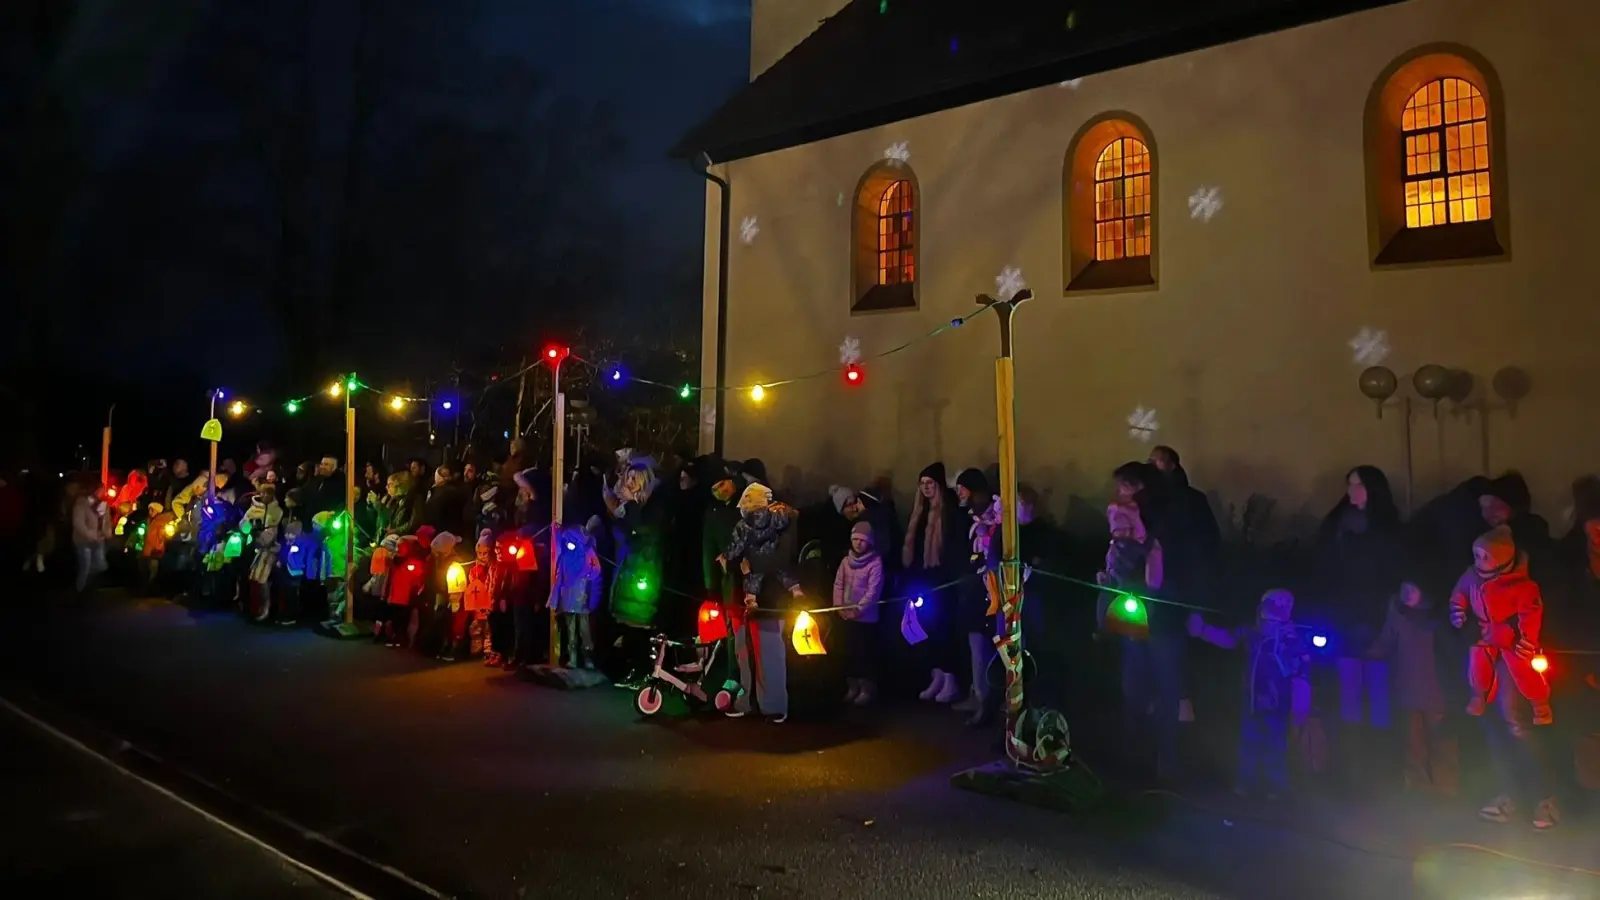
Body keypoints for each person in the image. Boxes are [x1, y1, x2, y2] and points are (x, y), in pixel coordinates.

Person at [1451, 525, 1560, 829]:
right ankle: (1510, 794)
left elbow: (1529, 617)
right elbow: (1460, 597)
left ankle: (1545, 797)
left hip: (1512, 655)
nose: (1478, 560)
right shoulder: (1471, 577)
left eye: (1484, 556)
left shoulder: (1522, 586)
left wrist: (1518, 638)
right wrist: (1462, 616)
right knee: (1493, 726)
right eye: (1476, 555)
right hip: (1485, 651)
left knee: (1516, 723)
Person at [1188, 589, 1311, 799]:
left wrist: (1302, 706)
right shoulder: (1253, 632)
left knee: (1275, 746)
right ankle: (1246, 784)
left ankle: (1277, 787)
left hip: (1276, 702)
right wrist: (1203, 630)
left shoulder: (1292, 639)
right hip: (1253, 700)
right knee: (1249, 743)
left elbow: (1301, 673)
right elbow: (1229, 639)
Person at [722, 482, 803, 722]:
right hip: (745, 595)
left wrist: (741, 563)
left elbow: (779, 558)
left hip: (767, 597)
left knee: (768, 653)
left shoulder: (751, 524)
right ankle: (751, 702)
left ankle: (772, 705)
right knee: (746, 652)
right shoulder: (780, 518)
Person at [1367, 581, 1453, 794]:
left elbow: (1450, 650)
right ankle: (1417, 786)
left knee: (1440, 739)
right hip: (1407, 687)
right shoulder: (1397, 614)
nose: (1406, 593)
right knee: (1412, 741)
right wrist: (1363, 650)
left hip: (1436, 688)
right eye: (1404, 588)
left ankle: (1444, 786)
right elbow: (1385, 643)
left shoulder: (1437, 617)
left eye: (1412, 588)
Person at [904, 463, 966, 704]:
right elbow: (915, 544)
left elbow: (952, 545)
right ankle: (937, 676)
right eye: (922, 484)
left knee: (945, 629)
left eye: (930, 483)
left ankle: (951, 679)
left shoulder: (948, 511)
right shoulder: (920, 511)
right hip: (924, 577)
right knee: (928, 627)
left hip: (944, 578)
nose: (926, 488)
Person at [834, 521, 885, 706]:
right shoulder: (846, 562)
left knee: (865, 653)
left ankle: (867, 688)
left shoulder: (875, 563)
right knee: (850, 653)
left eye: (862, 540)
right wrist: (839, 606)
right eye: (855, 539)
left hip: (866, 618)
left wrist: (859, 609)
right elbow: (839, 584)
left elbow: (873, 590)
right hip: (847, 615)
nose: (858, 543)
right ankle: (852, 685)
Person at [70, 482, 108, 592]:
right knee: (85, 567)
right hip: (83, 541)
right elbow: (78, 523)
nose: (103, 493)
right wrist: (91, 534)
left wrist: (105, 532)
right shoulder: (81, 503)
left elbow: (104, 521)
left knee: (98, 564)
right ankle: (79, 590)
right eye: (101, 490)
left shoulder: (101, 504)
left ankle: (88, 589)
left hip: (96, 540)